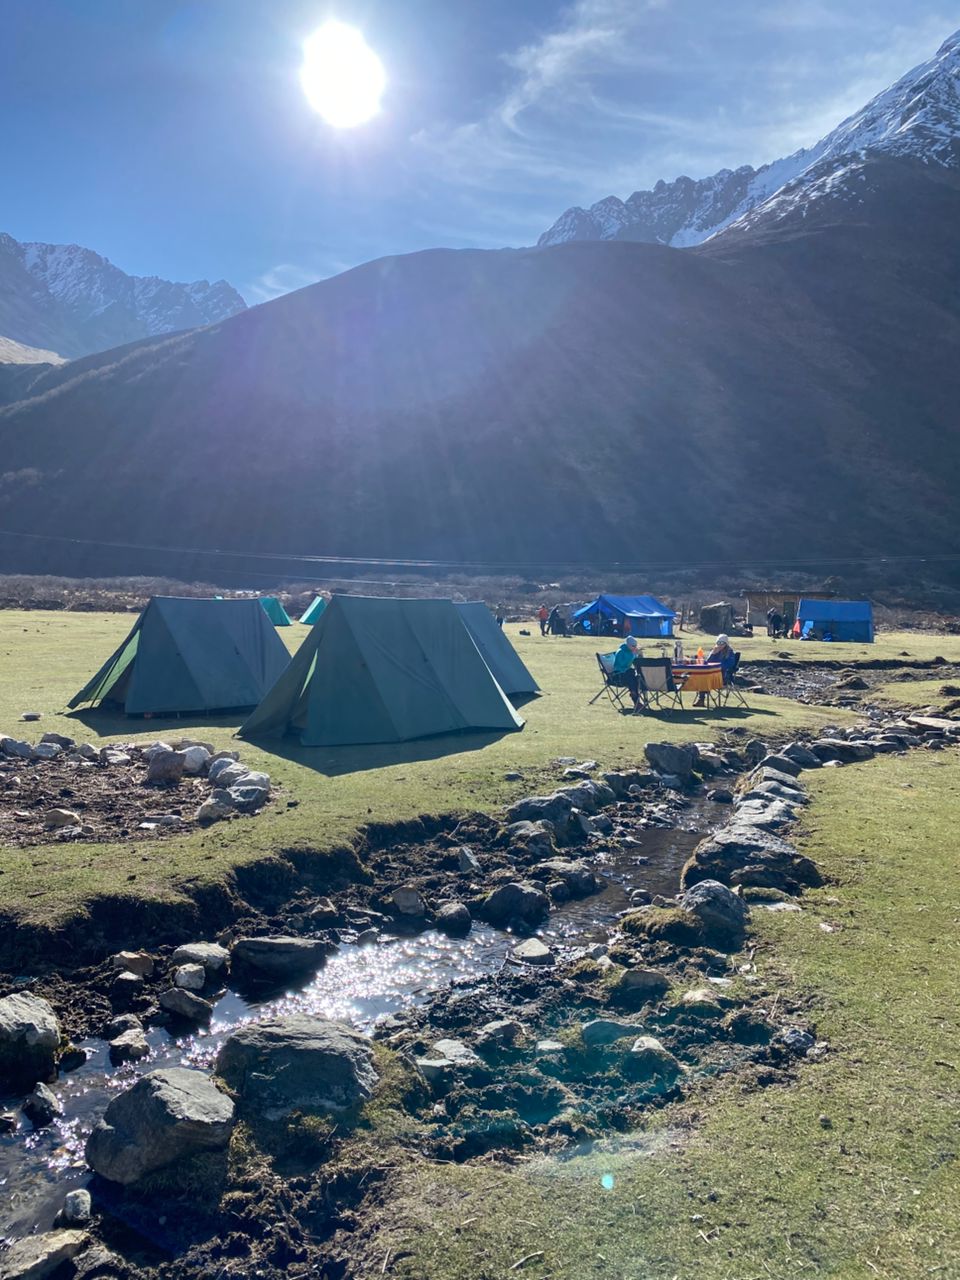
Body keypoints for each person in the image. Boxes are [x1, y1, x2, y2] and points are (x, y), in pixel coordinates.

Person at [693, 633, 735, 707]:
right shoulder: (715, 651)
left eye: (723, 643)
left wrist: (718, 665)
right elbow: (707, 662)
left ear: (726, 644)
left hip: (722, 676)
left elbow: (729, 665)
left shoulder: (730, 653)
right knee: (702, 677)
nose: (720, 645)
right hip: (711, 673)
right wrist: (713, 654)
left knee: (705, 679)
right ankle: (701, 699)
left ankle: (701, 699)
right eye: (719, 643)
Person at [612, 634, 642, 711]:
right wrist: (633, 655)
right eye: (633, 646)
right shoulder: (621, 652)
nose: (634, 647)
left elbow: (633, 663)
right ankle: (636, 700)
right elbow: (623, 664)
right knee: (631, 676)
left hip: (627, 674)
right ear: (628, 645)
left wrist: (639, 655)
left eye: (635, 646)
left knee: (636, 677)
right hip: (618, 675)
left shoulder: (631, 651)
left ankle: (636, 698)